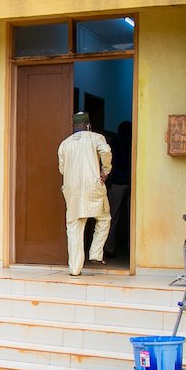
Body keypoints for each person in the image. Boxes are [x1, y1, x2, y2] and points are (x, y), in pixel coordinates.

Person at [58, 111, 113, 276]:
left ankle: (75, 269)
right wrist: (106, 170)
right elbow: (106, 151)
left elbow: (62, 169)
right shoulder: (96, 137)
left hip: (72, 189)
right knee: (104, 218)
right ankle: (95, 252)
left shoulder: (64, 144)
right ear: (88, 125)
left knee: (74, 226)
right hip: (93, 185)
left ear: (74, 126)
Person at [103, 121, 133, 260]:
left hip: (117, 184)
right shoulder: (134, 142)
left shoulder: (114, 143)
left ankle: (109, 248)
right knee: (132, 218)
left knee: (112, 216)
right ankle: (132, 249)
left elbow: (109, 163)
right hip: (133, 183)